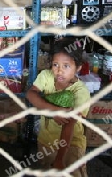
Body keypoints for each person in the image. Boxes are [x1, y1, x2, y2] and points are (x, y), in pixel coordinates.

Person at [26, 38, 90, 177]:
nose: (59, 71)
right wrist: (55, 110)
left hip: (71, 145)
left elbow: (69, 125)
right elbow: (31, 94)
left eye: (66, 66)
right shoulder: (46, 76)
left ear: (78, 67)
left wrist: (60, 159)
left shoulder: (81, 92)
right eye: (55, 64)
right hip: (46, 140)